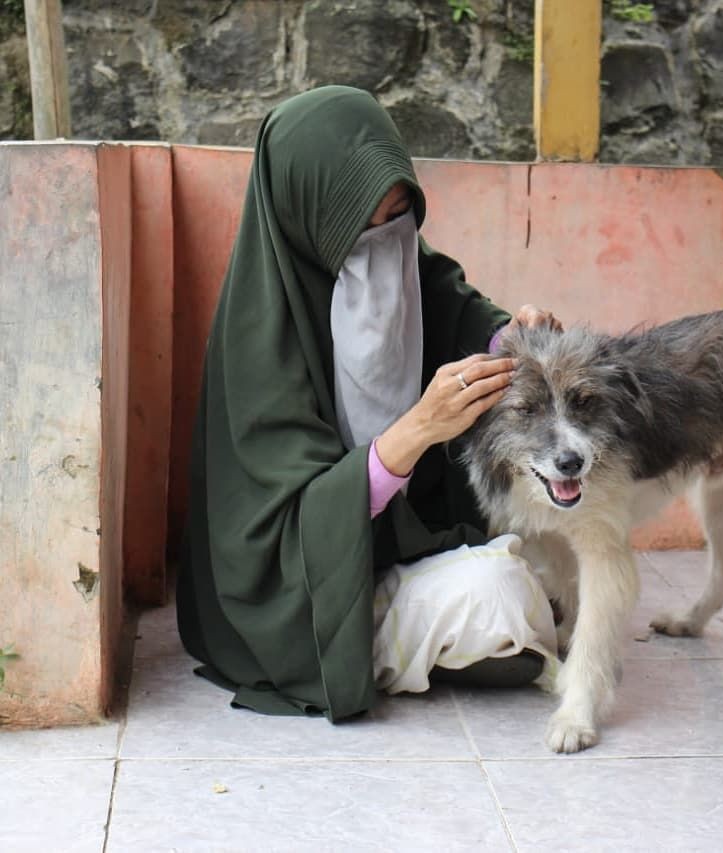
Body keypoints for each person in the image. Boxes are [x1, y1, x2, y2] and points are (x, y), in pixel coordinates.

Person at [176, 85, 561, 721]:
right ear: (311, 221)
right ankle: (398, 638)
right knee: (497, 596)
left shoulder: (403, 253)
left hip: (405, 543)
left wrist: (512, 340)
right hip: (304, 595)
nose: (387, 243)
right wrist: (413, 433)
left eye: (399, 217)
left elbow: (455, 310)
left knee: (547, 545)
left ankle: (432, 630)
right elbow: (282, 534)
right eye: (365, 225)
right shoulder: (260, 339)